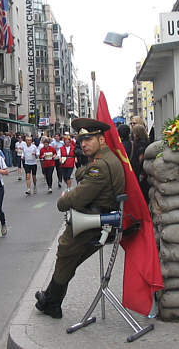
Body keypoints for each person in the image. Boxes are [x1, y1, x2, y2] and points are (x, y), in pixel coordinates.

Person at [35, 118, 125, 319]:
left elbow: (78, 197)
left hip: (92, 222)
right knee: (68, 258)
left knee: (66, 253)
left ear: (101, 140)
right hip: (97, 219)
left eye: (88, 139)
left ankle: (52, 303)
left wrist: (63, 200)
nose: (83, 144)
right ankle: (50, 299)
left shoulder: (100, 166)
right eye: (81, 140)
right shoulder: (104, 160)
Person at [131, 124, 150, 204]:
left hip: (140, 171)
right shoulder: (147, 142)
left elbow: (140, 158)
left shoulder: (139, 144)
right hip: (146, 171)